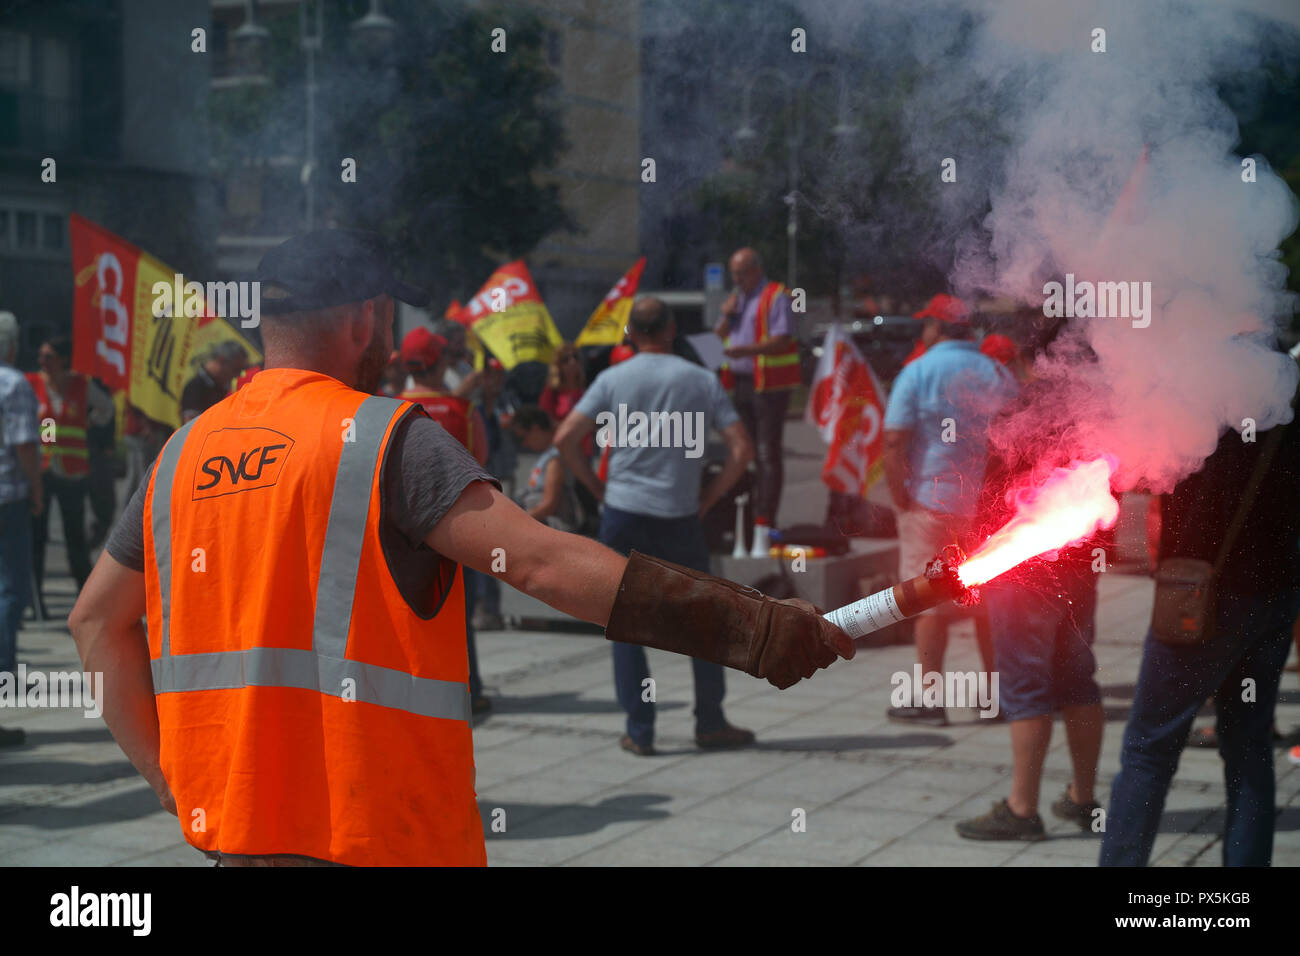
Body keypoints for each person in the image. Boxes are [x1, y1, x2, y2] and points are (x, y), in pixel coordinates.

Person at [68, 230, 853, 867]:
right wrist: (751, 630)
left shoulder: (181, 455)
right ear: (359, 320)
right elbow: (542, 562)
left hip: (235, 840)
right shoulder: (383, 438)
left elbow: (95, 623)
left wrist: (168, 776)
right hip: (375, 839)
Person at [1100, 369, 1300, 867]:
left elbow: (1144, 474)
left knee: (1149, 748)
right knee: (1249, 746)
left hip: (1202, 593)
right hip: (1276, 593)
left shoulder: (1201, 388)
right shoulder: (1289, 387)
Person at [556, 296, 758, 756]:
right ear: (670, 331)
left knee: (625, 623)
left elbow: (565, 438)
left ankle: (641, 730)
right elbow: (742, 449)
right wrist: (708, 497)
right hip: (679, 515)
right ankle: (710, 721)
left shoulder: (611, 379)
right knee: (704, 621)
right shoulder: (700, 380)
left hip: (623, 514)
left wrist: (598, 489)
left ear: (631, 333)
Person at [955, 372, 1112, 840]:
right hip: (1079, 567)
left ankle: (1022, 809)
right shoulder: (1099, 420)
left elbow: (990, 499)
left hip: (1021, 574)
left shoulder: (1016, 416)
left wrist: (972, 557)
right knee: (1078, 678)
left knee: (1026, 686)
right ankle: (1084, 799)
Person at [880, 295, 1017, 726]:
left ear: (937, 328)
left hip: (929, 501)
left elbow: (893, 441)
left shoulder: (917, 371)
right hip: (980, 507)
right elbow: (1015, 435)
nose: (923, 333)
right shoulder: (995, 372)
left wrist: (899, 493)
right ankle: (995, 697)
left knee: (928, 601)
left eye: (926, 325)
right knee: (986, 601)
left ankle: (927, 698)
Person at [398, 326, 491, 713]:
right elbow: (482, 473)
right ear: (437, 364)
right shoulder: (464, 412)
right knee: (458, 617)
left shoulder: (386, 410)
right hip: (457, 533)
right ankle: (470, 690)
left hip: (401, 536)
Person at [713, 247, 799, 556]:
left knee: (766, 453)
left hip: (769, 386)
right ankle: (744, 519)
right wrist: (727, 314)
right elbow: (717, 337)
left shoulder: (777, 296)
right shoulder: (739, 300)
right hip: (741, 385)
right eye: (733, 273)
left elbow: (782, 339)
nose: (736, 279)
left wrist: (745, 352)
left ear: (755, 269)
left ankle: (765, 521)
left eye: (740, 273)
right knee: (743, 451)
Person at [28, 336, 114, 604]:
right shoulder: (32, 384)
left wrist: (89, 422)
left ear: (63, 360)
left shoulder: (80, 385)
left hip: (72, 474)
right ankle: (34, 599)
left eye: (49, 357)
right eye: (41, 356)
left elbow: (107, 409)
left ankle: (85, 596)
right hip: (42, 472)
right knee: (36, 538)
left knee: (74, 537)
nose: (43, 362)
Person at [0, 311, 41, 746]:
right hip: (7, 497)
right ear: (10, 347)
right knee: (11, 592)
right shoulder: (13, 383)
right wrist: (37, 490)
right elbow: (26, 444)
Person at [513, 404, 583, 533]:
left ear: (535, 429)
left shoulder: (555, 459)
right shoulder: (548, 455)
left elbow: (549, 505)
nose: (524, 444)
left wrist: (515, 523)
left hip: (552, 528)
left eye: (523, 438)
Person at [180, 340, 247, 422]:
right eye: (236, 369)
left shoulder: (223, 386)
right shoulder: (195, 388)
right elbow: (190, 425)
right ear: (221, 360)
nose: (238, 375)